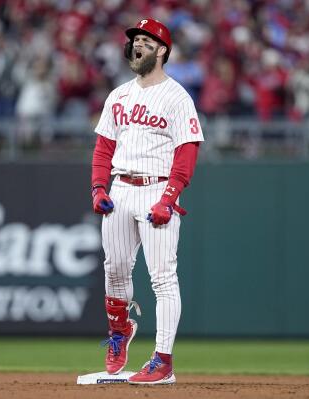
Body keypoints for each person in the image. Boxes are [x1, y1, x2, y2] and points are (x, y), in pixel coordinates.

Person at [90, 18, 203, 385]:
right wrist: (98, 188)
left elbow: (187, 151)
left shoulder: (176, 97)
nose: (138, 45)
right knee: (115, 269)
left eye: (146, 41)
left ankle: (163, 360)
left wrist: (169, 198)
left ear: (162, 51)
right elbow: (104, 147)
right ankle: (121, 331)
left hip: (157, 188)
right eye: (135, 39)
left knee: (163, 278)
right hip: (120, 188)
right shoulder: (118, 95)